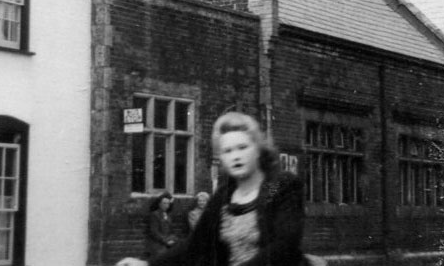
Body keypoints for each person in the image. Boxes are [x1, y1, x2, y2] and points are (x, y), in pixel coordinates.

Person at [118, 111, 305, 266]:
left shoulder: (278, 186)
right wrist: (148, 264)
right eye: (228, 151)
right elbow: (195, 244)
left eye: (242, 147)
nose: (235, 156)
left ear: (257, 150)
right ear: (221, 158)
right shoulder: (223, 196)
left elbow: (283, 245)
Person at [146, 192, 178, 258]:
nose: (166, 205)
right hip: (158, 244)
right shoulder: (155, 215)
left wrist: (173, 239)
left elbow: (171, 231)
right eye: (164, 203)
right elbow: (154, 232)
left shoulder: (168, 216)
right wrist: (165, 241)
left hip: (168, 242)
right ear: (159, 204)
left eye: (168, 203)